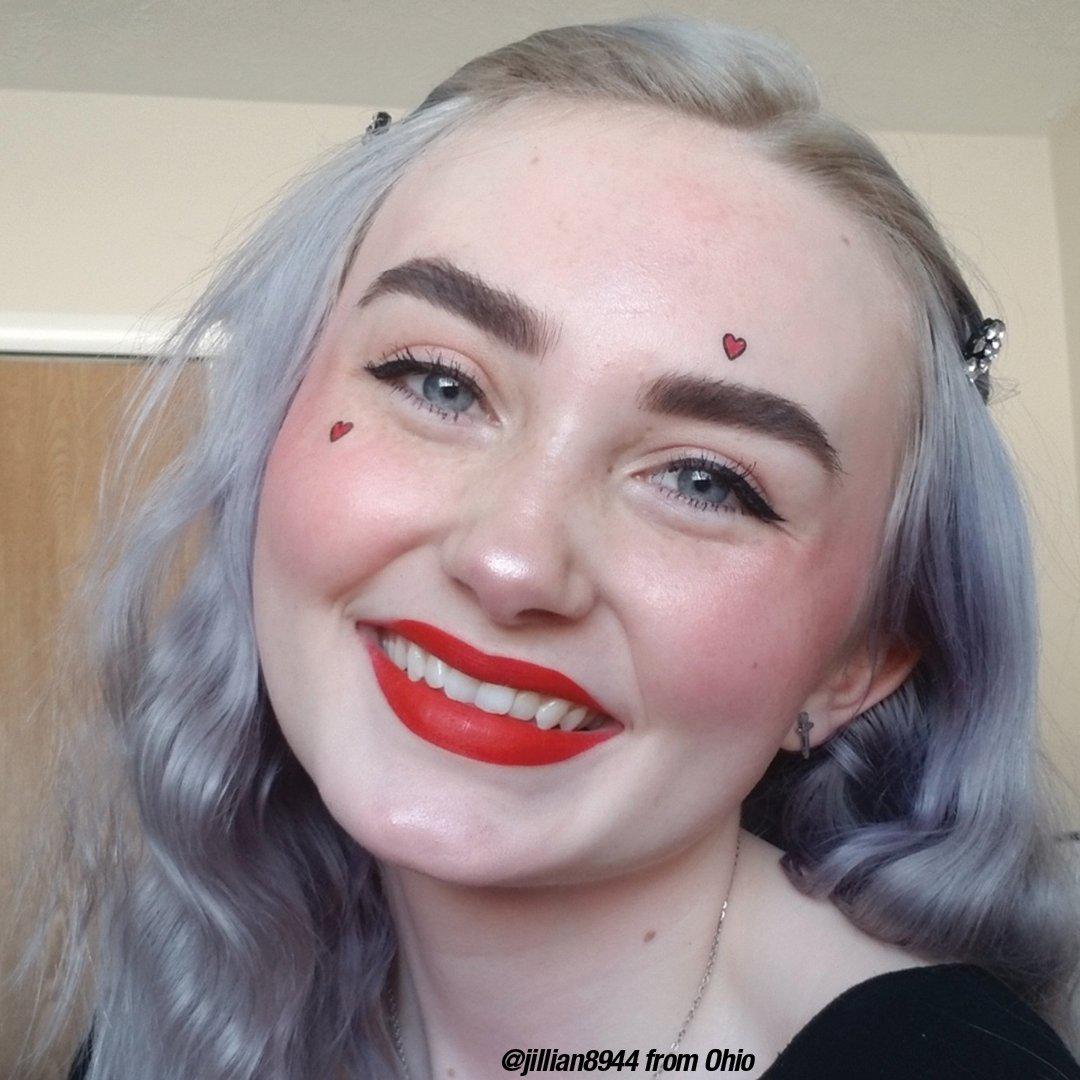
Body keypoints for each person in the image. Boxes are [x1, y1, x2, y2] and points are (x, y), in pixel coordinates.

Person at [9, 14, 1080, 1080]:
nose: (512, 561)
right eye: (440, 383)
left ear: (857, 663)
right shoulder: (180, 1007)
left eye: (706, 481)